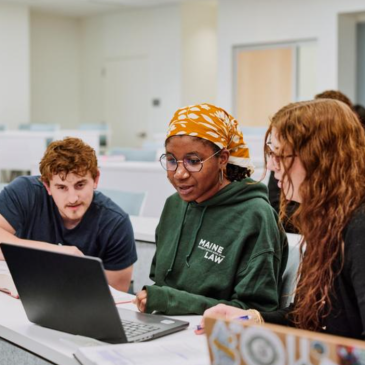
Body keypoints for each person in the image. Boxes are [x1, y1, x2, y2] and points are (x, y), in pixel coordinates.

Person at [198, 99, 365, 340]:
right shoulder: (325, 220)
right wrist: (251, 318)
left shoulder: (358, 226)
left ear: (320, 158)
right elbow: (310, 319)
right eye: (270, 153)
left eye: (280, 155)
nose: (272, 166)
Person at [134, 103, 288, 315]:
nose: (179, 173)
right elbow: (160, 282)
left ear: (222, 159)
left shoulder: (255, 215)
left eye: (193, 161)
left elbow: (255, 312)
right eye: (171, 160)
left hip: (217, 338)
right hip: (165, 330)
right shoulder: (174, 205)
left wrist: (171, 301)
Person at [0, 137, 137, 292]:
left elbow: (116, 298)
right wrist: (55, 253)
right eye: (61, 187)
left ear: (95, 179)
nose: (73, 198)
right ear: (47, 186)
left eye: (80, 185)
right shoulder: (25, 192)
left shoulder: (116, 224)